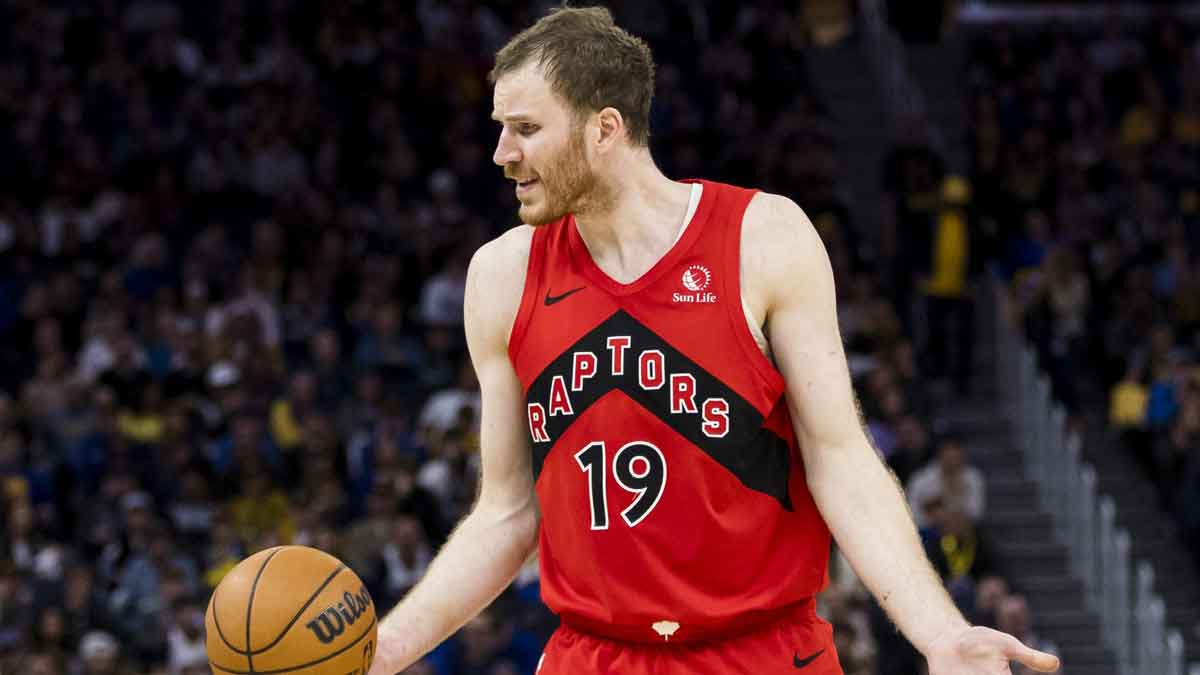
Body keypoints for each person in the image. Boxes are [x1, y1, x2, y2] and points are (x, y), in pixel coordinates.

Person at [369, 7, 1061, 675]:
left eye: (524, 128)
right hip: (594, 652)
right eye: (500, 128)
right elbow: (507, 512)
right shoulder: (501, 275)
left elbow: (841, 459)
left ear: (604, 128)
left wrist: (938, 631)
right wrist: (390, 647)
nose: (501, 154)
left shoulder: (764, 238)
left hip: (761, 647)